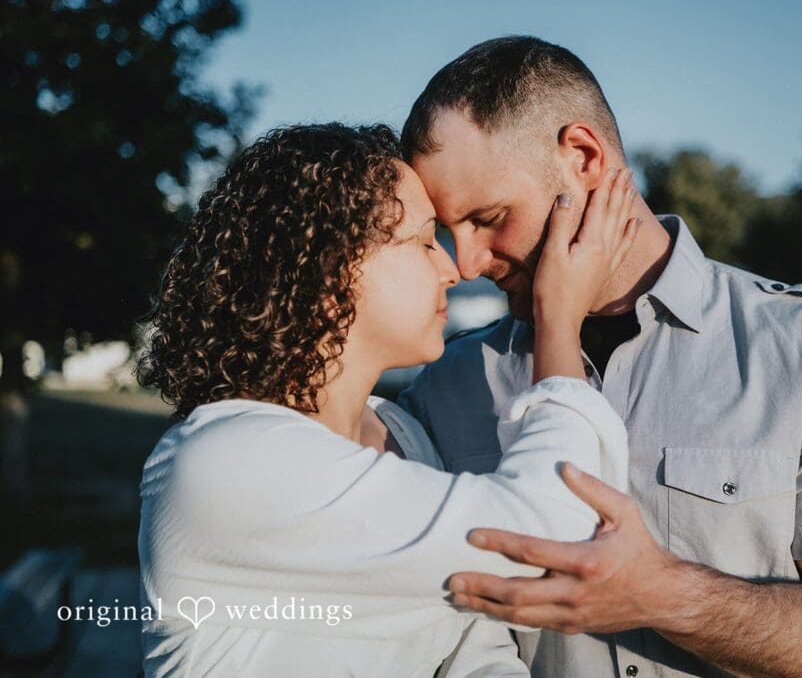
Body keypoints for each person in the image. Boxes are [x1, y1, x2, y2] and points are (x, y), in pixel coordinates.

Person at [397, 36, 802, 677]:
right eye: (448, 233)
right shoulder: (445, 385)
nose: (470, 263)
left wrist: (670, 595)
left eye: (490, 216)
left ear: (583, 157)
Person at [136, 122, 642, 677]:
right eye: (425, 241)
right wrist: (559, 318)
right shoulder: (224, 461)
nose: (453, 269)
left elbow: (475, 652)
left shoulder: (403, 435)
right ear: (331, 267)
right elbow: (551, 543)